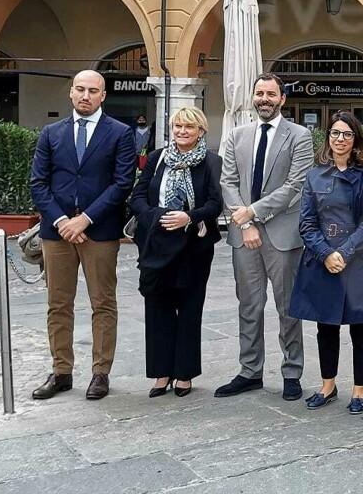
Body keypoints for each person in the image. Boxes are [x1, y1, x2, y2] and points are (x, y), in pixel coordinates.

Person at [29, 71, 138, 401]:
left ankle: (100, 372)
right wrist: (63, 220)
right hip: (57, 231)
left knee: (102, 303)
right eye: (80, 89)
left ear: (103, 95)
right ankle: (61, 371)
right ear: (71, 93)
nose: (85, 95)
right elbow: (38, 183)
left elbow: (122, 183)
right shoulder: (52, 133)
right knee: (58, 304)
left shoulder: (120, 133)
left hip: (99, 231)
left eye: (93, 90)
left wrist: (85, 220)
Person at [217, 73, 315, 401]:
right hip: (244, 235)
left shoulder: (299, 136)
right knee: (249, 305)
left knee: (288, 308)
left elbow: (296, 185)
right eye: (259, 93)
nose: (264, 99)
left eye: (271, 94)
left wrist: (253, 213)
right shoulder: (237, 135)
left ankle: (292, 372)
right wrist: (245, 224)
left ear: (282, 99)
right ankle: (249, 371)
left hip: (282, 235)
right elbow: (228, 182)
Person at [290, 112, 363, 414]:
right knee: (326, 326)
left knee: (361, 327)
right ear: (327, 137)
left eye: (347, 134)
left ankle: (360, 389)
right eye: (335, 133)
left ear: (356, 139)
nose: (340, 139)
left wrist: (343, 253)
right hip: (322, 260)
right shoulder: (315, 175)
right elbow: (306, 223)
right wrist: (326, 254)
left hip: (359, 261)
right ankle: (327, 385)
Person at [128, 107, 222, 398]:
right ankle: (161, 372)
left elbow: (215, 204)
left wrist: (188, 217)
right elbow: (137, 197)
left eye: (189, 127)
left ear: (201, 132)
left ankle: (184, 373)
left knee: (190, 308)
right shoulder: (157, 158)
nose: (182, 131)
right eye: (178, 126)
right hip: (156, 244)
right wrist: (155, 218)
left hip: (193, 246)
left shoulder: (211, 162)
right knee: (157, 307)